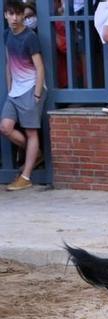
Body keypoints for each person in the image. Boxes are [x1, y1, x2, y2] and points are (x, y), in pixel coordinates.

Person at [2, 0, 46, 191]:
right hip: (15, 91)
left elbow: (39, 66)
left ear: (22, 16)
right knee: (5, 127)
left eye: (17, 14)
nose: (14, 18)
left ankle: (26, 177)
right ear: (5, 15)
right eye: (10, 14)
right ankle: (35, 153)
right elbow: (7, 62)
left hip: (30, 89)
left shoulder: (30, 37)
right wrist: (9, 87)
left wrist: (37, 94)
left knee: (31, 131)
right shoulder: (6, 35)